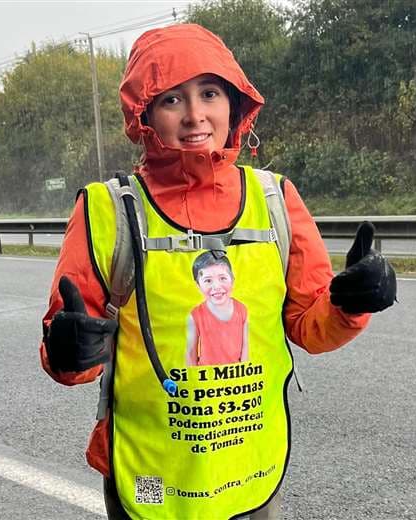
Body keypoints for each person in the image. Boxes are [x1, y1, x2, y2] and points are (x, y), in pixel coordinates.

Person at [40, 23, 396, 520]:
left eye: (209, 93)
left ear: (233, 102)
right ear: (144, 113)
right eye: (171, 99)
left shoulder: (275, 199)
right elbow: (74, 352)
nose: (195, 115)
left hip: (249, 475)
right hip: (152, 475)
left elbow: (310, 327)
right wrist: (67, 351)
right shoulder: (107, 210)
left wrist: (350, 305)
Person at [186, 251, 249, 366]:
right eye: (208, 280)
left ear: (232, 279)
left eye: (222, 278)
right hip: (206, 374)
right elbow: (191, 353)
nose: (216, 287)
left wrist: (244, 371)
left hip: (236, 373)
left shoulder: (242, 310)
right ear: (198, 285)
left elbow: (246, 347)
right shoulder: (195, 315)